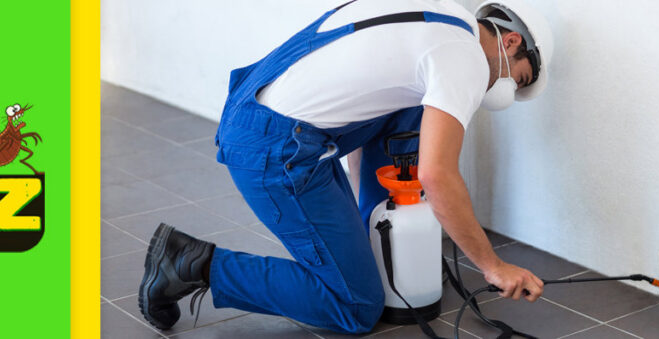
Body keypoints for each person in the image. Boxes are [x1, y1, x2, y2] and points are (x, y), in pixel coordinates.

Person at [138, 0, 555, 334]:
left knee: (413, 108)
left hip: (266, 111)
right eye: (517, 79)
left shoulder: (445, 15)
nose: (505, 90)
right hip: (275, 148)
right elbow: (436, 175)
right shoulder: (466, 60)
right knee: (356, 305)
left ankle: (373, 246)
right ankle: (192, 263)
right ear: (512, 41)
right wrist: (493, 266)